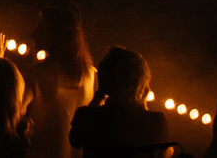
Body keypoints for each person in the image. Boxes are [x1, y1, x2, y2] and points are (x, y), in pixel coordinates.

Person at [67, 48, 171, 158]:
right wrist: (142, 101)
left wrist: (100, 95)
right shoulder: (156, 121)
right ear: (141, 82)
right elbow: (164, 154)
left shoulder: (86, 117)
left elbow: (75, 142)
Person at [20, 8, 96, 158]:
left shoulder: (35, 74)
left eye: (41, 30)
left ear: (57, 35)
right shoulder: (91, 75)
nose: (33, 34)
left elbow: (13, 114)